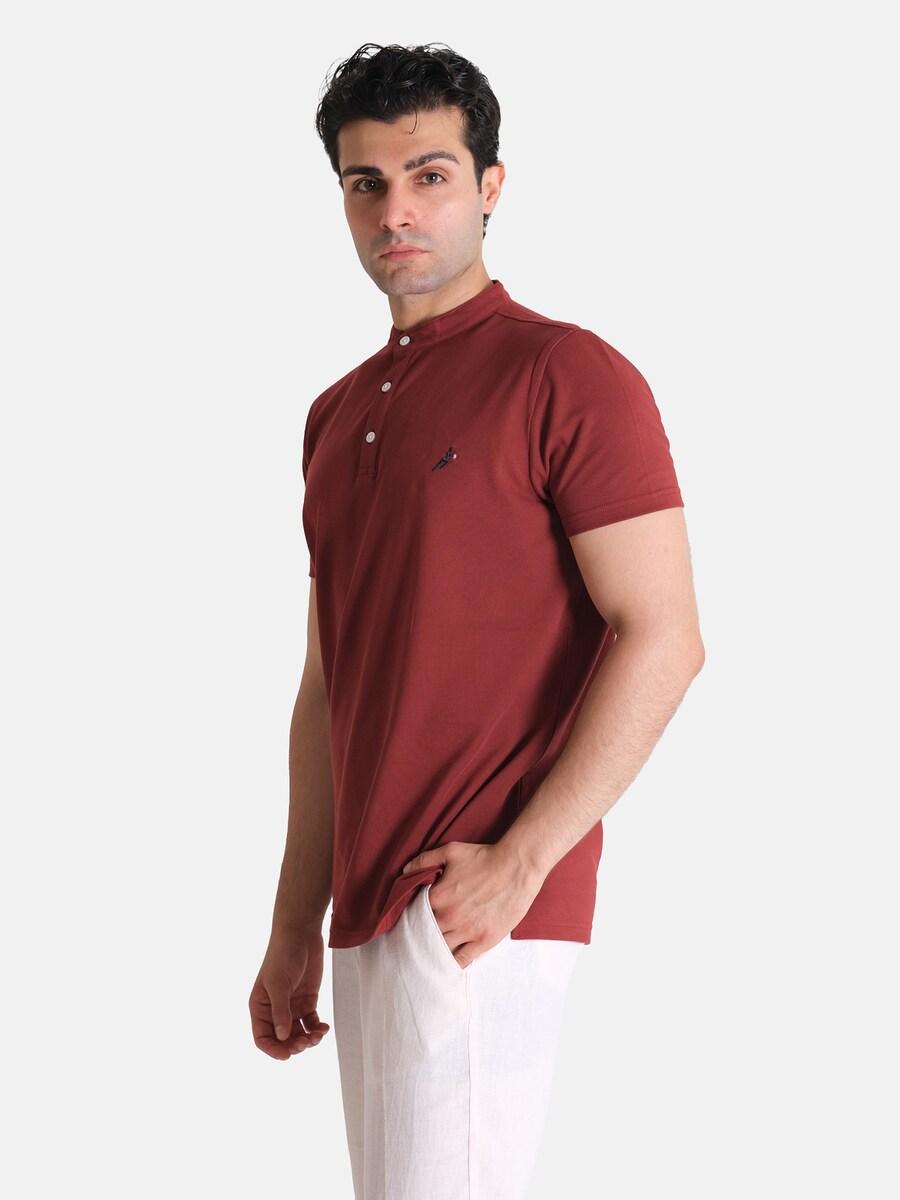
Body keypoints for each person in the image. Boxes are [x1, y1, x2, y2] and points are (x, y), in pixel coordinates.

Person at [249, 41, 705, 1198]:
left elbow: (665, 634)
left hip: (477, 905)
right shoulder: (334, 414)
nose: (395, 211)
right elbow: (328, 688)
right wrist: (296, 923)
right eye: (366, 183)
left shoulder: (569, 375)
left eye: (430, 175)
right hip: (369, 909)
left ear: (491, 184)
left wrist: (521, 864)